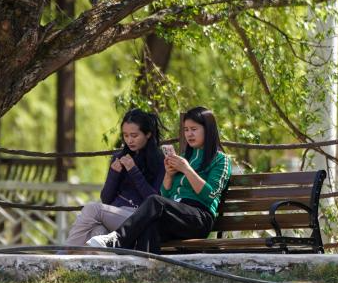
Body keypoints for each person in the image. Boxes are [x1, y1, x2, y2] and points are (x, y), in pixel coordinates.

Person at [86, 106, 232, 253]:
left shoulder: (221, 160)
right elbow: (166, 195)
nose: (189, 134)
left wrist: (187, 170)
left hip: (199, 218)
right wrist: (169, 175)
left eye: (194, 129)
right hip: (176, 215)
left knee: (154, 201)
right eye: (186, 130)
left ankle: (117, 240)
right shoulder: (184, 158)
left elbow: (210, 195)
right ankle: (145, 265)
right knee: (149, 224)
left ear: (208, 129)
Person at [64, 109, 165, 246]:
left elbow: (155, 201)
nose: (129, 140)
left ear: (148, 134)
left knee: (92, 208)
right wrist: (114, 174)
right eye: (125, 135)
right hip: (115, 215)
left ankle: (63, 254)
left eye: (134, 135)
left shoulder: (160, 161)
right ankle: (75, 258)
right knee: (98, 232)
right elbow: (106, 199)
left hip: (140, 217)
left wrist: (134, 171)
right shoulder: (119, 158)